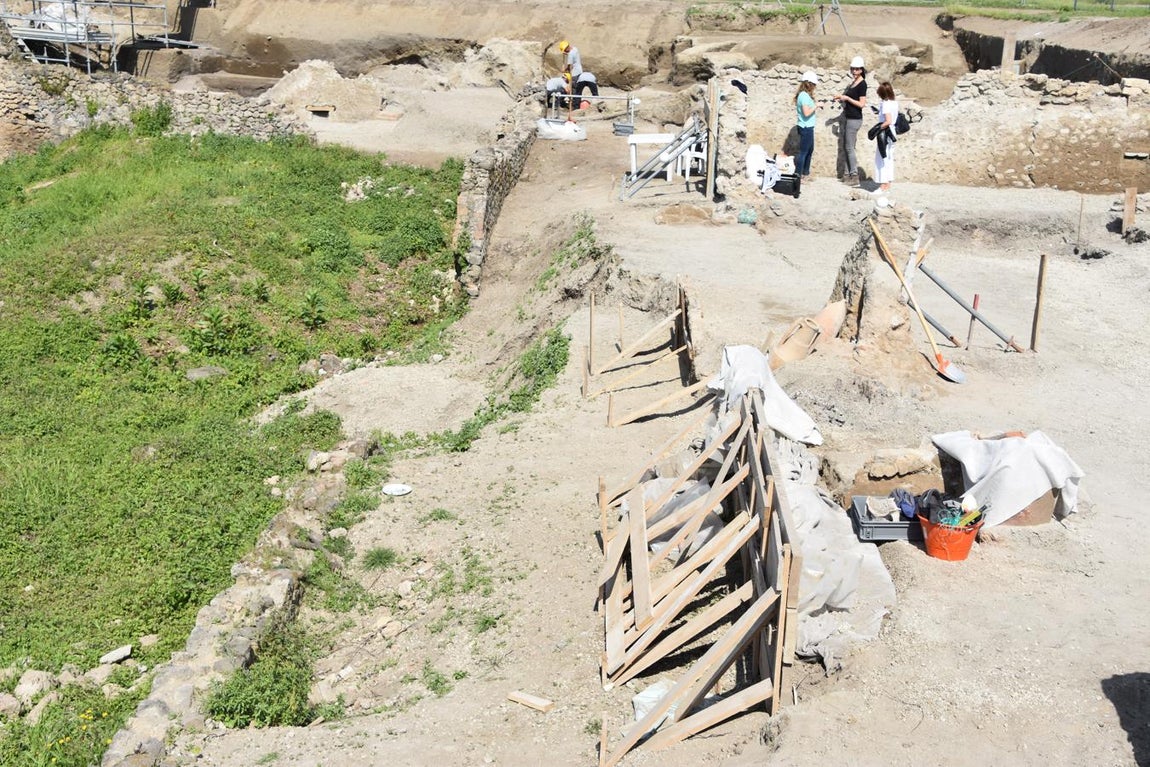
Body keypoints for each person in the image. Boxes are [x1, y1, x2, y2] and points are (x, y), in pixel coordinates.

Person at [833, 56, 867, 186]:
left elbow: (862, 104)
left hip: (854, 119)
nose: (854, 71)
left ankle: (854, 176)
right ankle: (847, 175)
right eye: (853, 68)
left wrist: (847, 98)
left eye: (857, 69)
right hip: (849, 117)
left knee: (849, 148)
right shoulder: (854, 82)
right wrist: (842, 98)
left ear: (861, 70)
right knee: (848, 148)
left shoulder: (862, 84)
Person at [872, 81, 898, 195]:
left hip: (886, 132)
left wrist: (877, 128)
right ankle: (887, 184)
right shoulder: (894, 103)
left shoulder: (886, 104)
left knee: (882, 157)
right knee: (888, 157)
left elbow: (888, 121)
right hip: (892, 132)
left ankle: (883, 185)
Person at [793, 71, 818, 179]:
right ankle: (799, 175)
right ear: (810, 84)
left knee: (809, 150)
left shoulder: (804, 95)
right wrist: (816, 106)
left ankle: (805, 173)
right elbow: (806, 113)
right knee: (803, 152)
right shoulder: (803, 96)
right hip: (805, 127)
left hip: (808, 126)